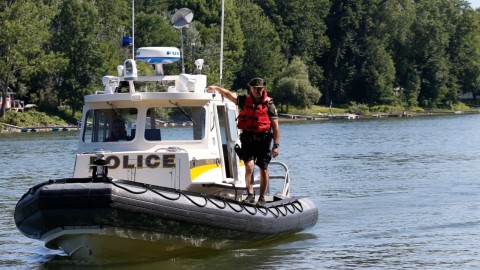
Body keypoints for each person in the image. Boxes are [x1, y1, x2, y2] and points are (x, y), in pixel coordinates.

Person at [207, 78, 280, 206]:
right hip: (247, 140)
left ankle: (262, 197)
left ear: (263, 89)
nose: (257, 91)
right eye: (254, 88)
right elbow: (229, 95)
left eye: (259, 88)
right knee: (249, 166)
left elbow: (275, 127)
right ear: (250, 88)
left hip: (263, 141)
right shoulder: (244, 101)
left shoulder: (269, 104)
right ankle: (250, 195)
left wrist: (276, 146)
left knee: (263, 168)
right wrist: (217, 88)